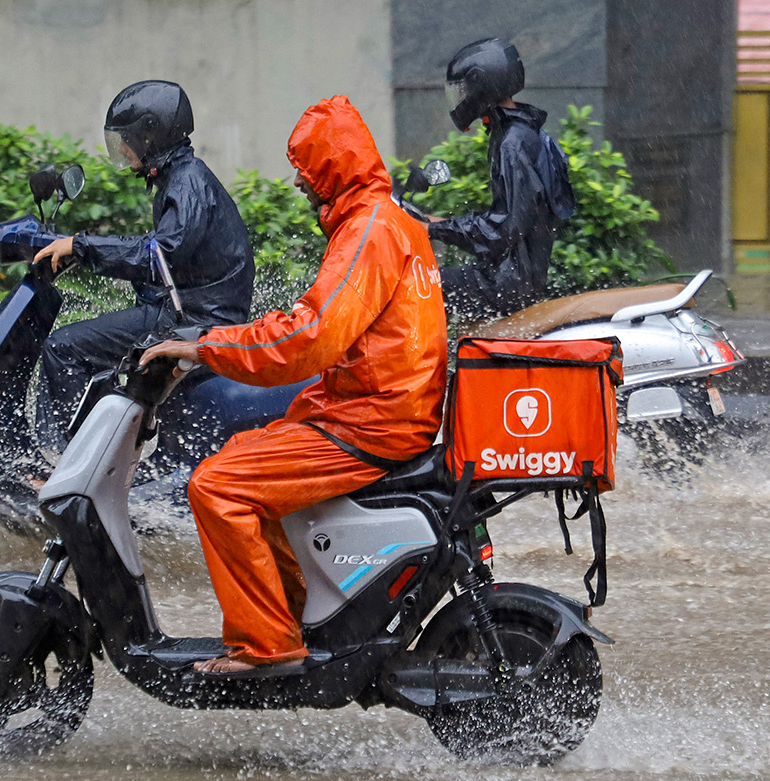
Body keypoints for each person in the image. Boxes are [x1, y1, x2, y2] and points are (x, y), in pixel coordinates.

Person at [139, 95, 447, 674]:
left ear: (332, 172)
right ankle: (300, 611)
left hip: (371, 421)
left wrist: (206, 346)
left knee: (216, 486)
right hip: (381, 409)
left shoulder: (369, 232)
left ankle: (266, 646)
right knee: (240, 453)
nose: (303, 189)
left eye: (308, 177)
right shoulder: (392, 222)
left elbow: (310, 337)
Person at [33, 80, 254, 429]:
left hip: (193, 320)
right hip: (187, 310)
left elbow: (160, 255)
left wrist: (82, 245)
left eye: (125, 138)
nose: (121, 149)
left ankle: (63, 464)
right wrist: (86, 253)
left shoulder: (187, 183)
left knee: (64, 348)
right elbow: (167, 254)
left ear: (151, 133)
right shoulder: (179, 177)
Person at [427, 38, 575, 320]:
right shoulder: (519, 131)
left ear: (481, 84)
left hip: (506, 285)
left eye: (463, 90)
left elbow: (507, 228)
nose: (459, 98)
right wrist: (437, 224)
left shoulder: (512, 142)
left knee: (417, 286)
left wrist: (436, 229)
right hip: (514, 278)